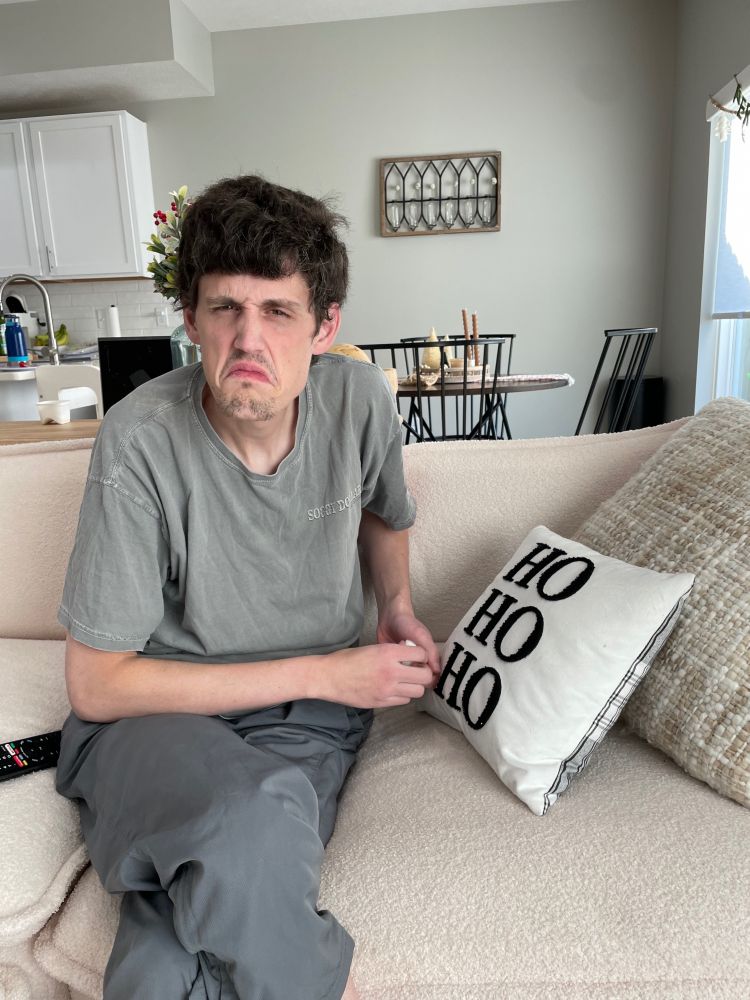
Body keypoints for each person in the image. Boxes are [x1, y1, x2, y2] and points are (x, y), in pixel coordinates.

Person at [55, 174, 440, 1000]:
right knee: (250, 820)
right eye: (225, 308)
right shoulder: (138, 440)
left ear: (325, 326)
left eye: (278, 312)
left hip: (307, 726)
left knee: (165, 962)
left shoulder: (359, 401)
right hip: (154, 721)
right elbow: (96, 684)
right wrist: (329, 673)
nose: (247, 340)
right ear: (191, 318)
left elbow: (385, 510)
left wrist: (397, 607)